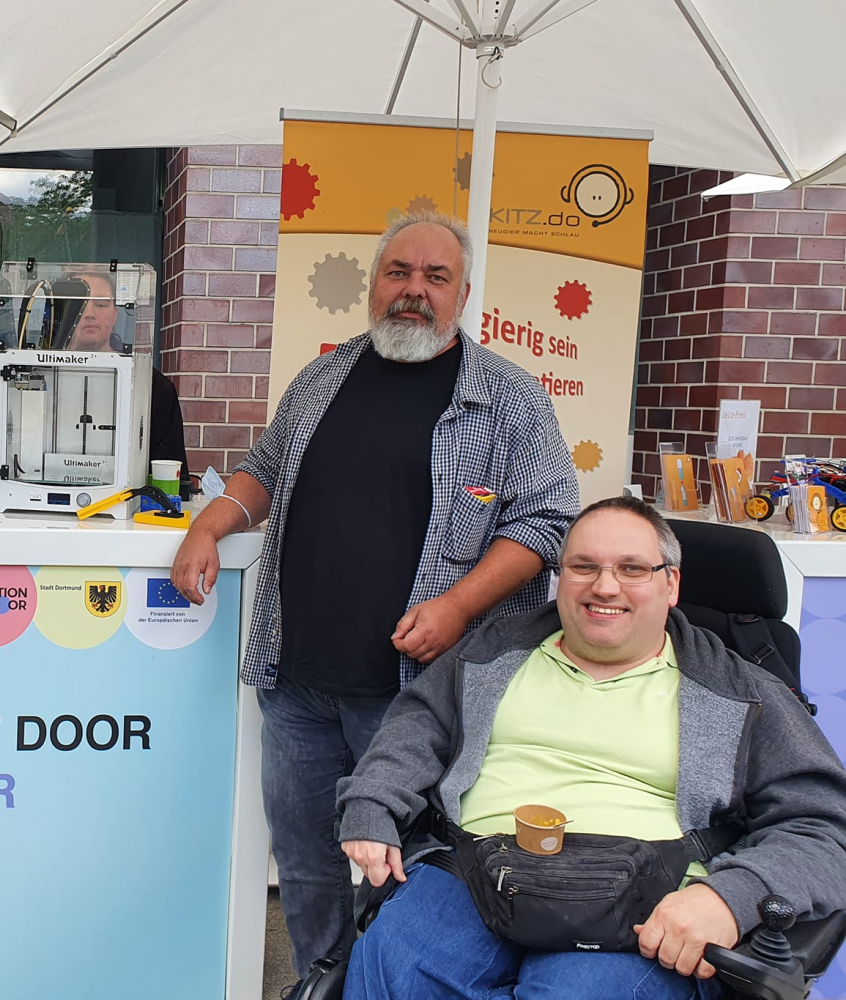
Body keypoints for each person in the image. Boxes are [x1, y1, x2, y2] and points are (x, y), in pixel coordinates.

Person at [168, 211, 580, 984]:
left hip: (418, 694)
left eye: (435, 277)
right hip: (296, 683)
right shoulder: (323, 377)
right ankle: (322, 976)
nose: (413, 291)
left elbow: (548, 520)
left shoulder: (510, 397)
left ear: (464, 293)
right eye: (398, 273)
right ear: (373, 283)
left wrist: (456, 606)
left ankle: (385, 982)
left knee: (412, 863)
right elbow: (264, 467)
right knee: (306, 859)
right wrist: (208, 527)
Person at [338, 496, 846, 999]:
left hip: (647, 895)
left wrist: (730, 897)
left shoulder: (743, 691)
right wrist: (373, 798)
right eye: (583, 566)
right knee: (397, 967)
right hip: (470, 872)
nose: (604, 586)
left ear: (670, 584)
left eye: (632, 569)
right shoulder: (494, 651)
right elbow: (417, 722)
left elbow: (824, 827)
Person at [63, 269, 190, 486]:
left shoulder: (152, 386)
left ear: (115, 315)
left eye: (101, 304)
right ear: (62, 314)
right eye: (80, 304)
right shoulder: (36, 378)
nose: (89, 313)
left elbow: (171, 469)